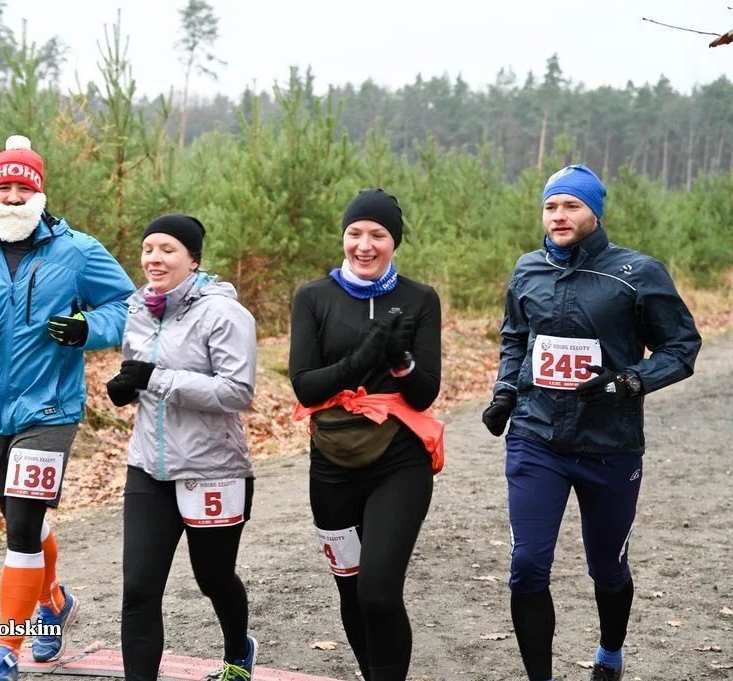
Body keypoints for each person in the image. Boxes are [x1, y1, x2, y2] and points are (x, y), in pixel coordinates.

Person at [0, 135, 136, 681]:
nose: (13, 197)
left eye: (23, 187)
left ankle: (6, 651)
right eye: (4, 187)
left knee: (22, 526)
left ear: (39, 193)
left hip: (50, 410)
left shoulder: (77, 250)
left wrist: (88, 328)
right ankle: (52, 601)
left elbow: (127, 305)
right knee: (20, 522)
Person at [481, 164, 702, 681]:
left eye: (571, 205)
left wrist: (627, 382)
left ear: (594, 212)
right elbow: (517, 337)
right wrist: (505, 394)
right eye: (551, 205)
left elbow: (682, 347)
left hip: (611, 444)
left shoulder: (637, 272)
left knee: (607, 567)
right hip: (537, 439)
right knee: (528, 567)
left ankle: (609, 654)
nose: (558, 215)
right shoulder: (527, 268)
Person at [288, 189, 445, 681]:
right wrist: (361, 360)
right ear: (344, 236)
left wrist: (399, 362)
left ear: (394, 241)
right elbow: (305, 384)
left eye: (378, 235)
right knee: (351, 591)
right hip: (331, 464)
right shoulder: (313, 297)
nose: (365, 244)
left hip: (399, 461)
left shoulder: (420, 299)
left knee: (378, 590)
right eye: (355, 233)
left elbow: (424, 395)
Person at [104, 214, 258, 681]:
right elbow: (141, 372)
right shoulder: (137, 309)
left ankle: (237, 650)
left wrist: (157, 378)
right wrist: (128, 386)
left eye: (167, 249)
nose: (154, 257)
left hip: (213, 468)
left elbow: (238, 391)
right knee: (140, 589)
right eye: (148, 248)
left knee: (213, 578)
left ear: (193, 259)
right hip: (148, 467)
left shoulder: (224, 313)